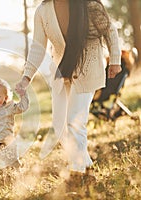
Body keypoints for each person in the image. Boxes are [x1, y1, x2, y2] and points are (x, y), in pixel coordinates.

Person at [16, 0, 122, 186]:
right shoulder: (43, 11)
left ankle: (77, 173)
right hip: (61, 71)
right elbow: (37, 47)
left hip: (87, 70)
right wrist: (26, 77)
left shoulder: (89, 5)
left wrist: (115, 60)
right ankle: (87, 165)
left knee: (74, 122)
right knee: (60, 127)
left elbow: (110, 31)